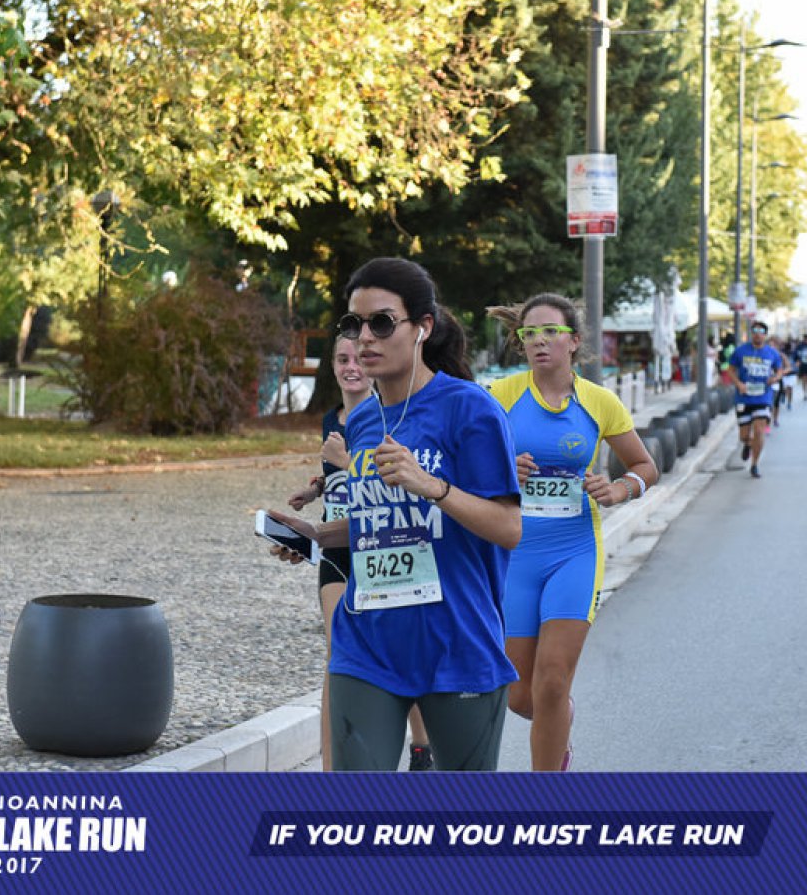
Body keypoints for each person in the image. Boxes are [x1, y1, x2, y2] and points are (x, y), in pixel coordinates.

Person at [265, 257, 522, 771]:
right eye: (353, 324)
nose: (364, 337)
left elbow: (508, 529)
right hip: (368, 643)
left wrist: (432, 486)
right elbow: (380, 522)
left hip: (456, 641)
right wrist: (316, 534)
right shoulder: (363, 421)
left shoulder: (470, 409)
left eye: (381, 323)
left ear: (422, 327)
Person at [488, 294, 659, 771]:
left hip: (575, 552)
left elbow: (646, 466)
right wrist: (502, 471)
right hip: (516, 554)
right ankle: (559, 725)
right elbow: (465, 465)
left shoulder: (599, 402)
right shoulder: (499, 396)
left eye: (551, 332)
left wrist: (620, 488)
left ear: (575, 341)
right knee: (519, 693)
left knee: (552, 681)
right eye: (529, 334)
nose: (539, 341)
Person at [286, 336, 432, 771]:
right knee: (338, 655)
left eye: (356, 359)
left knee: (399, 650)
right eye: (341, 359)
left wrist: (347, 459)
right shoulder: (331, 419)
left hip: (381, 545)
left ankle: (422, 746)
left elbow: (392, 481)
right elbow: (334, 476)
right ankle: (332, 771)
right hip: (336, 550)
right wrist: (315, 488)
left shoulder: (390, 415)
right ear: (332, 366)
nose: (351, 367)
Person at [724, 320, 786, 478]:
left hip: (763, 397)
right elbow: (730, 370)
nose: (757, 334)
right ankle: (748, 444)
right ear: (751, 334)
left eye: (761, 331)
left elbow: (780, 370)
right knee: (744, 436)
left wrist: (775, 378)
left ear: (765, 335)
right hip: (744, 398)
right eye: (755, 331)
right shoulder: (740, 351)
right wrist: (739, 384)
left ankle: (755, 464)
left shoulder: (772, 353)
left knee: (759, 431)